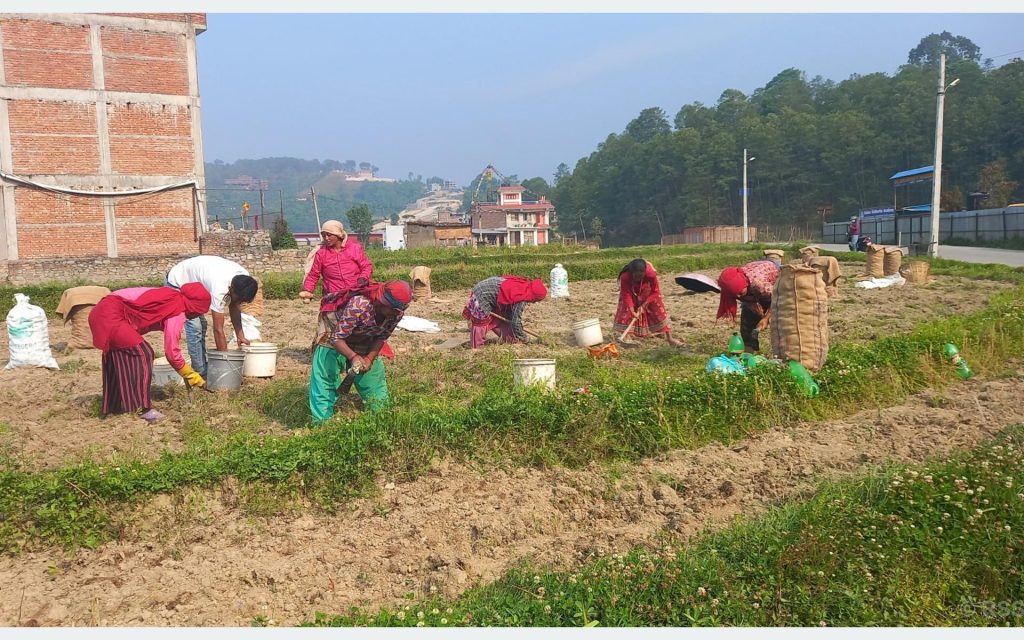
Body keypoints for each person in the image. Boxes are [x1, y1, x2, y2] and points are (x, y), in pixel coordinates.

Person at [89, 284, 211, 423]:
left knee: (121, 357)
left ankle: (114, 406)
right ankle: (143, 409)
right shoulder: (177, 309)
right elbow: (172, 353)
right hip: (110, 314)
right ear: (194, 306)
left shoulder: (170, 298)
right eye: (197, 312)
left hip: (104, 311)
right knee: (143, 353)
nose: (194, 316)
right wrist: (193, 377)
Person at [309, 280, 412, 422]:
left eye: (399, 311)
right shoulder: (360, 304)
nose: (395, 313)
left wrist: (369, 358)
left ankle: (381, 418)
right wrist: (353, 356)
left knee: (372, 376)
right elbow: (337, 338)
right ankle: (322, 423)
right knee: (327, 374)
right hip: (334, 330)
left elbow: (381, 338)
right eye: (393, 309)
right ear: (382, 302)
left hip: (363, 334)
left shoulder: (396, 314)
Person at [165, 255, 259, 378]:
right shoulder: (219, 288)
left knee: (201, 324)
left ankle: (202, 365)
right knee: (195, 327)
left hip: (196, 282)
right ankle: (201, 373)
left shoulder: (245, 280)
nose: (240, 302)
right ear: (231, 289)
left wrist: (240, 335)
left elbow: (234, 305)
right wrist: (225, 361)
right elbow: (218, 329)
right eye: (239, 299)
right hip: (177, 282)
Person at [299, 219, 374, 349]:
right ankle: (328, 353)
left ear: (339, 235)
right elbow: (314, 274)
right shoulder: (322, 253)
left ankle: (357, 351)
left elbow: (366, 266)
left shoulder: (354, 248)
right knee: (330, 329)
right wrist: (308, 290)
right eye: (324, 235)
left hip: (354, 294)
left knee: (355, 325)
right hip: (333, 296)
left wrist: (363, 278)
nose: (326, 238)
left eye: (329, 235)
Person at [462, 276, 547, 349]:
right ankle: (477, 347)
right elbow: (515, 321)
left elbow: (511, 316)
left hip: (490, 291)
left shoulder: (524, 288)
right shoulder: (521, 296)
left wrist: (518, 335)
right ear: (534, 297)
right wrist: (524, 338)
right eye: (536, 300)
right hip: (482, 294)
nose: (534, 302)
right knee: (481, 322)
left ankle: (511, 340)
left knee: (502, 318)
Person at [613, 258, 683, 346]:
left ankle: (670, 339)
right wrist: (632, 310)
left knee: (659, 312)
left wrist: (644, 304)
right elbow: (626, 294)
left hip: (647, 290)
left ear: (644, 273)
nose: (638, 279)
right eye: (636, 276)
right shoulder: (625, 276)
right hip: (631, 290)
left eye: (640, 276)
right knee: (626, 310)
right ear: (632, 273)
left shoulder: (651, 274)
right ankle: (627, 337)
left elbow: (655, 291)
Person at [716, 259, 780, 353]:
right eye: (735, 295)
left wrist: (766, 318)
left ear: (744, 285)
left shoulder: (759, 284)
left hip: (772, 276)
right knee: (748, 318)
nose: (738, 296)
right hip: (752, 288)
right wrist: (760, 316)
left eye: (739, 293)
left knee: (779, 319)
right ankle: (748, 353)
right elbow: (748, 301)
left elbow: (777, 298)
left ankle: (781, 355)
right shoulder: (735, 289)